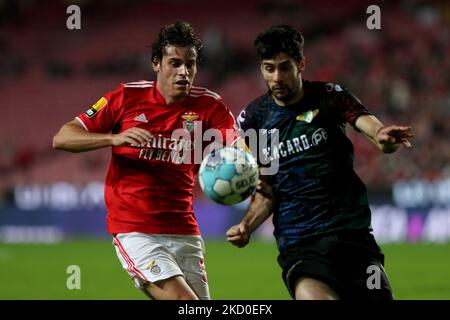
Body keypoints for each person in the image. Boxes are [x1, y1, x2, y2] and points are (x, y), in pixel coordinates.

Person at [53, 21, 240, 300]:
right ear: (156, 63)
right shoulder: (126, 97)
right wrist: (113, 139)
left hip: (184, 229)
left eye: (190, 64)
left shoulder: (209, 106)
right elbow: (63, 137)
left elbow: (236, 144)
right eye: (174, 63)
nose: (184, 72)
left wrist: (242, 160)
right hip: (136, 229)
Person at [226, 25, 414, 300]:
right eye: (269, 68)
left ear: (301, 64)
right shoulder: (254, 119)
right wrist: (246, 226)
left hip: (354, 237)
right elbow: (266, 191)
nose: (276, 77)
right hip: (300, 245)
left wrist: (381, 135)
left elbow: (369, 127)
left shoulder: (330, 96)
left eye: (284, 67)